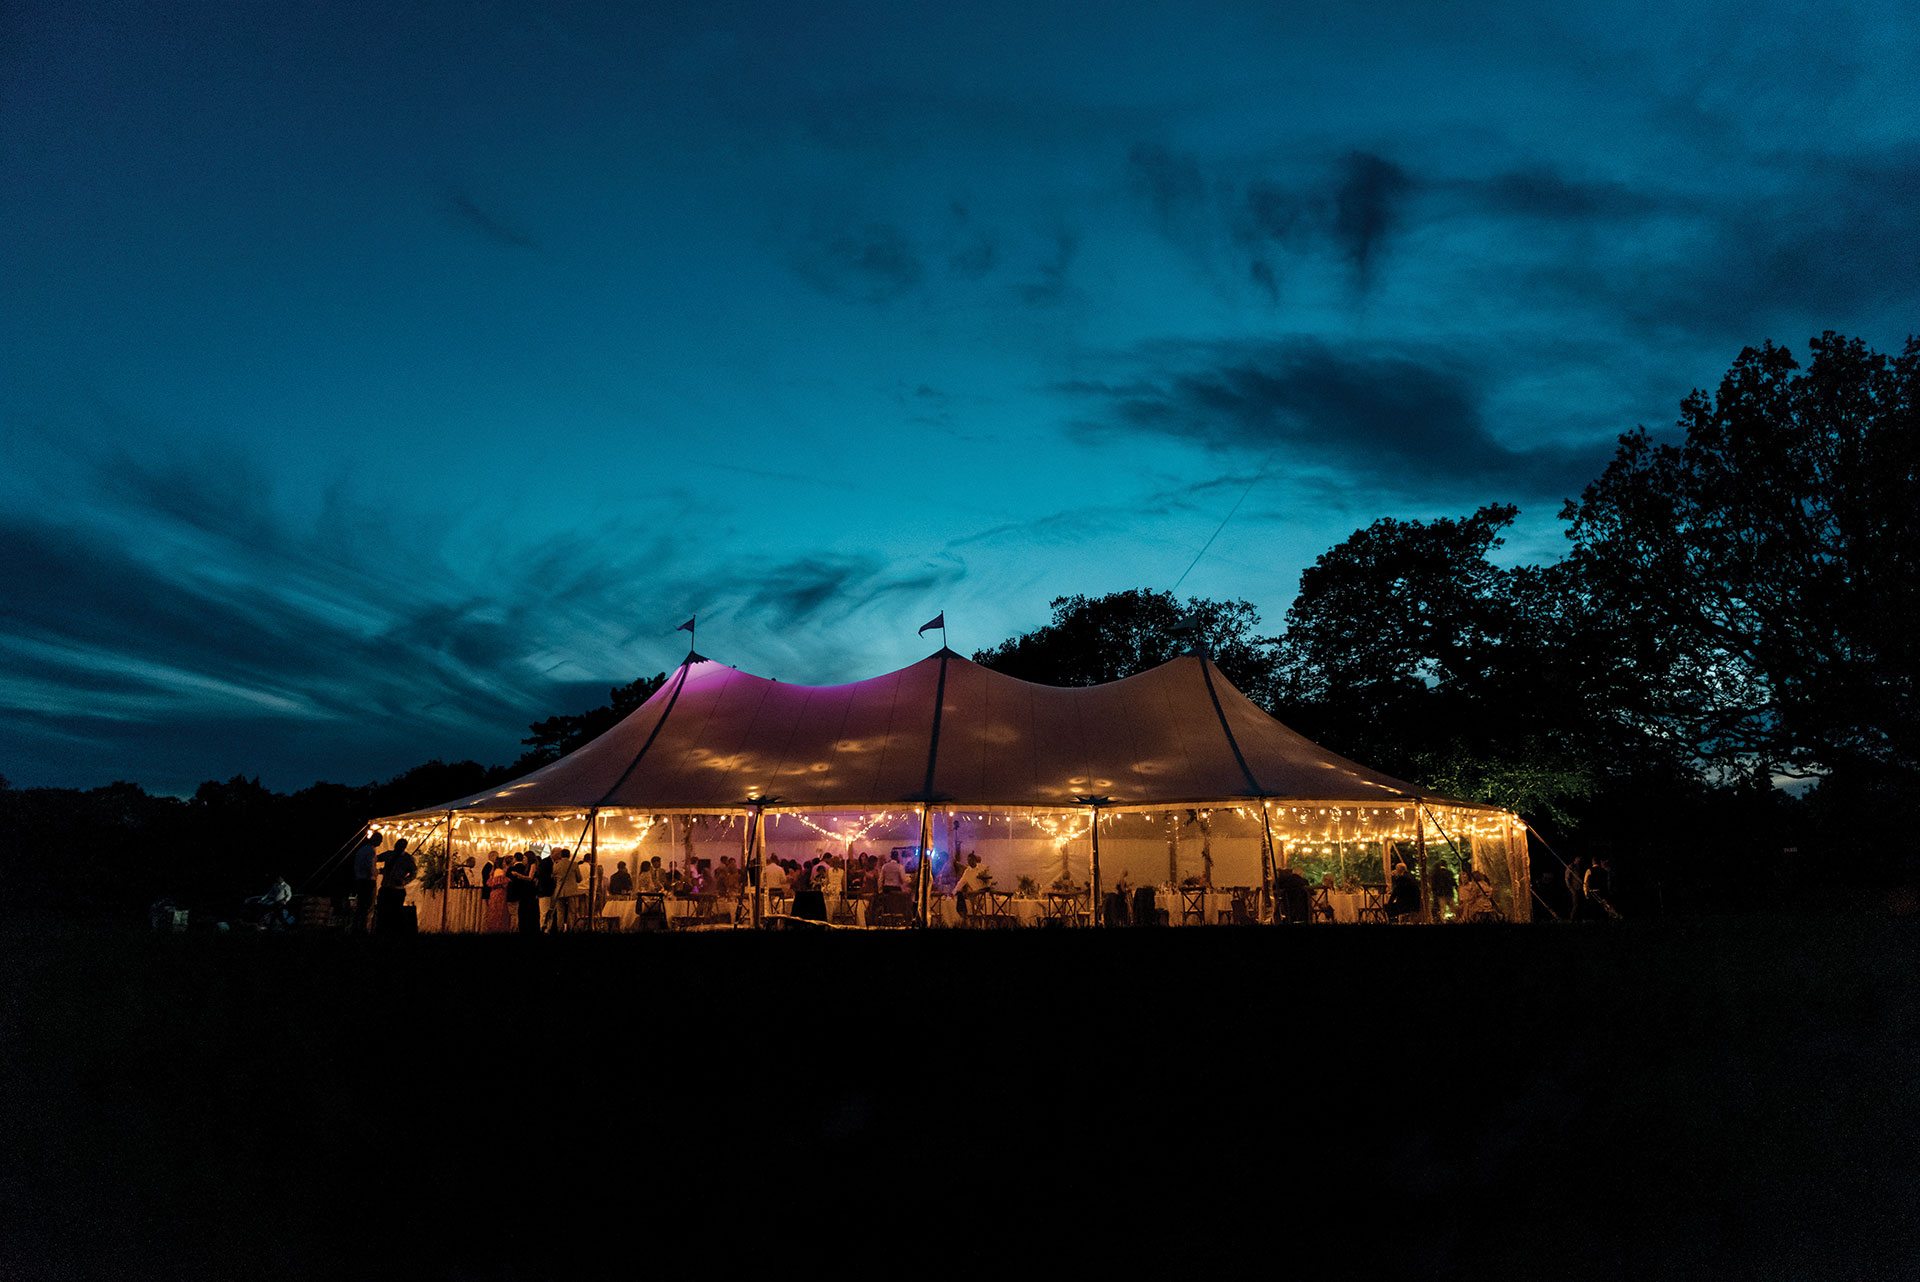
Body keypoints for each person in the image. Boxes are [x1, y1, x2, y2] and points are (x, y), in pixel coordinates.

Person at [377, 838, 416, 934]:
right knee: (382, 912)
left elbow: (413, 873)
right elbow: (375, 858)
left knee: (396, 913)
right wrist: (378, 870)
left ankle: (394, 932)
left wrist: (404, 881)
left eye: (401, 846)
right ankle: (381, 931)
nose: (398, 847)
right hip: (386, 887)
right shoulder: (388, 854)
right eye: (398, 845)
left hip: (397, 889)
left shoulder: (407, 858)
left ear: (404, 847)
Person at [350, 832, 379, 933]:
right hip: (368, 881)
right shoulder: (371, 851)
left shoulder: (361, 850)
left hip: (359, 879)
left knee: (360, 905)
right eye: (380, 840)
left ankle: (356, 926)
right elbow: (370, 867)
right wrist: (377, 872)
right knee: (366, 905)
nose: (381, 842)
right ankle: (363, 928)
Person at [508, 855, 540, 934]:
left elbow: (530, 878)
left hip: (530, 891)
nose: (524, 859)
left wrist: (518, 875)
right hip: (526, 890)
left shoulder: (533, 865)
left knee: (528, 909)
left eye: (525, 858)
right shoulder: (525, 866)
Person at [484, 860, 512, 933]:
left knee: (494, 910)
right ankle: (499, 928)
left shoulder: (494, 871)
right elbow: (502, 883)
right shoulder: (499, 871)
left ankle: (494, 928)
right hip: (500, 893)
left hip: (494, 893)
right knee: (500, 911)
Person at [536, 849, 558, 931]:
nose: (560, 856)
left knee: (550, 912)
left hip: (551, 890)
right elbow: (541, 875)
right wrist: (551, 876)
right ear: (553, 854)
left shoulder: (556, 863)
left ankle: (548, 928)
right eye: (558, 854)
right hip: (544, 890)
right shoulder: (545, 862)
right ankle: (543, 928)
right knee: (544, 911)